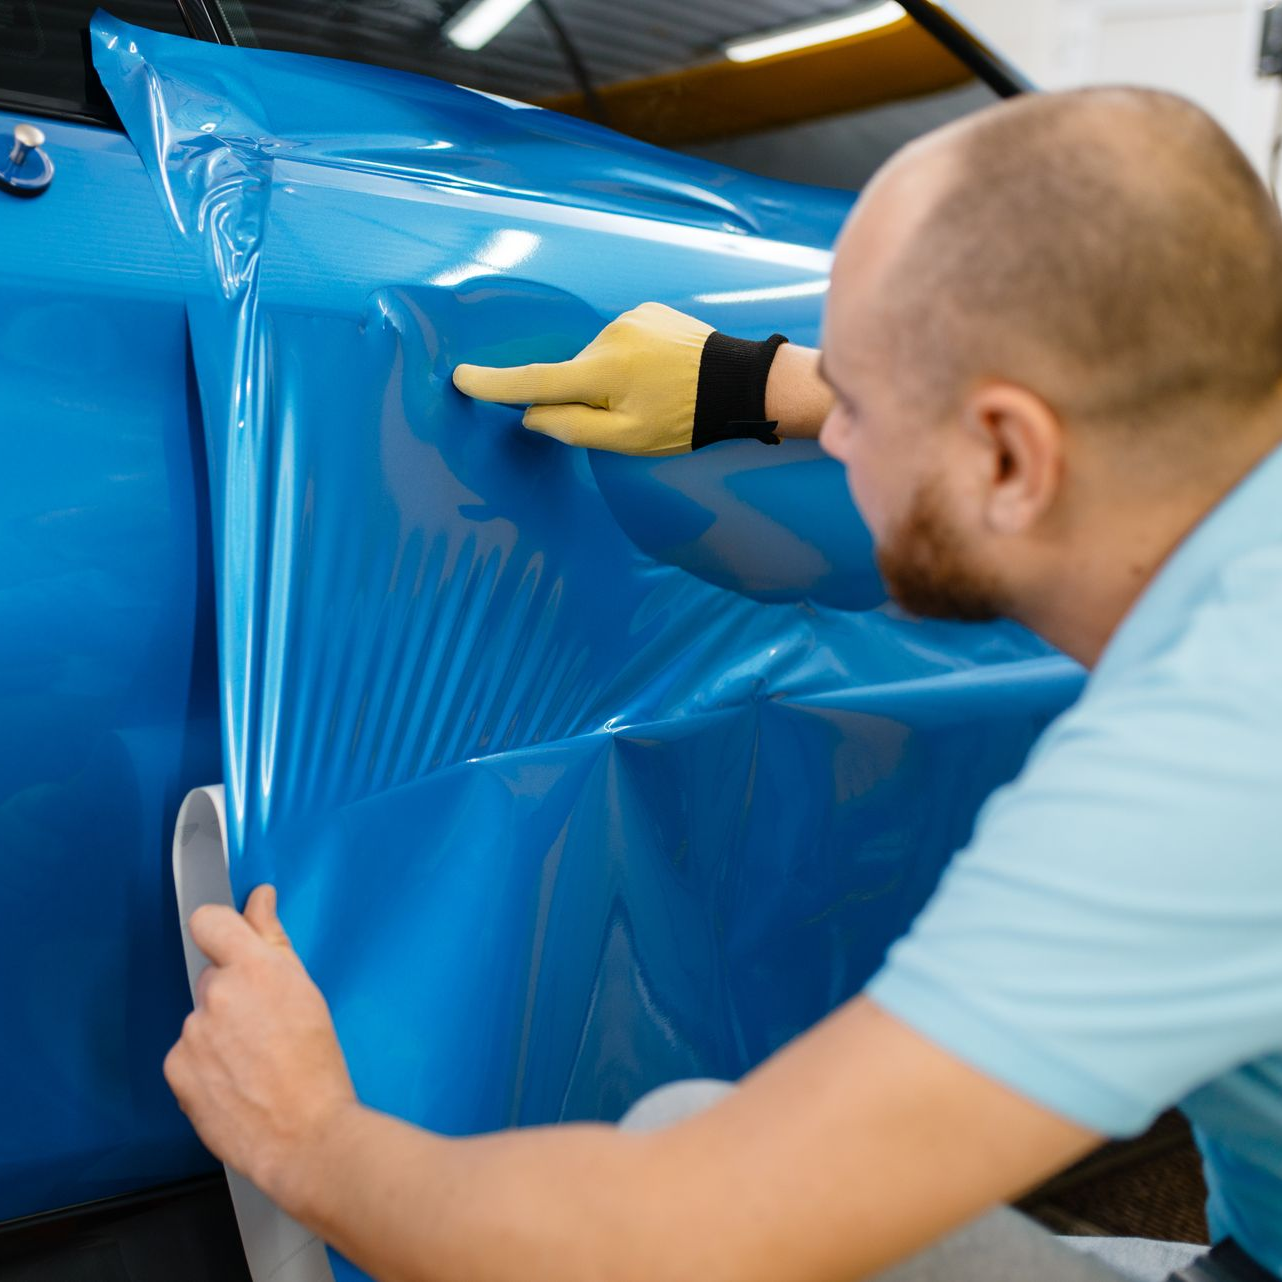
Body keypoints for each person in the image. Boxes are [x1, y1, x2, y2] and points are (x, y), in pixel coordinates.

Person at [162, 86, 1282, 1282]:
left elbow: (674, 1239)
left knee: (695, 1182)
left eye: (857, 405)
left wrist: (311, 1140)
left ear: (1010, 452)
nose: (834, 439)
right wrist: (756, 382)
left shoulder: (1212, 759)